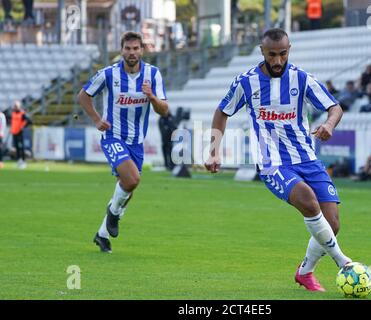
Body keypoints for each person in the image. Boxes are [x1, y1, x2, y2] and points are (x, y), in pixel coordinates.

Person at [205, 28, 352, 292]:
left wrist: (329, 124)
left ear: (289, 50)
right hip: (272, 162)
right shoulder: (246, 82)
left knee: (333, 222)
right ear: (261, 51)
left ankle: (305, 272)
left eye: (282, 54)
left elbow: (335, 107)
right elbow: (222, 112)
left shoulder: (302, 78)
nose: (277, 61)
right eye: (271, 54)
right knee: (308, 200)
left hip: (307, 159)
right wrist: (214, 149)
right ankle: (344, 262)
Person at [78, 31, 169, 253]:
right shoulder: (108, 74)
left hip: (136, 141)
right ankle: (113, 214)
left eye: (136, 48)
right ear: (122, 50)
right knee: (132, 179)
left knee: (129, 186)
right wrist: (97, 119)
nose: (132, 52)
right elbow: (83, 95)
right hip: (113, 136)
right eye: (128, 48)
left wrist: (152, 98)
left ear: (142, 50)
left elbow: (164, 110)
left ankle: (102, 233)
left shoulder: (153, 75)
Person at [10, 101, 31, 169]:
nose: (15, 107)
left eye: (16, 106)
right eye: (15, 106)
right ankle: (19, 161)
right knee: (17, 148)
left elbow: (29, 121)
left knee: (21, 148)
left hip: (19, 133)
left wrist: (22, 127)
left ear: (19, 106)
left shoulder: (22, 113)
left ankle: (23, 161)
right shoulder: (13, 113)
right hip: (14, 133)